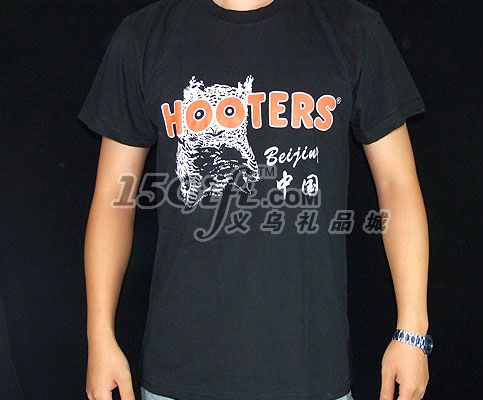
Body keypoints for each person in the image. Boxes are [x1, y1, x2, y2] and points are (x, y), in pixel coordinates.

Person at [79, 1, 432, 400]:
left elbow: (396, 184)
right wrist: (99, 337)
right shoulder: (145, 37)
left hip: (310, 373)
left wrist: (413, 331)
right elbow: (114, 198)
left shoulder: (351, 28)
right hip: (179, 373)